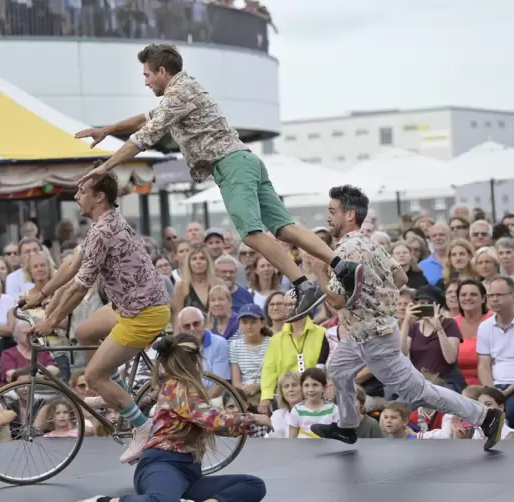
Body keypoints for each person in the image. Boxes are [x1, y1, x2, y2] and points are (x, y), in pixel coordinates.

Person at [73, 43, 363, 323]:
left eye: (147, 75)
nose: (146, 82)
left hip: (231, 166)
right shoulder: (182, 92)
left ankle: (302, 284)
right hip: (246, 160)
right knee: (285, 228)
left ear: (162, 71)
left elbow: (142, 138)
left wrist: (105, 167)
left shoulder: (177, 96)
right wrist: (107, 129)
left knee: (250, 234)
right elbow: (142, 119)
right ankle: (342, 265)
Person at [307, 185, 505, 451]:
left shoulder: (346, 252)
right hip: (361, 332)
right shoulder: (369, 242)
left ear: (350, 215)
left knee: (420, 392)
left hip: (374, 338)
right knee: (339, 370)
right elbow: (400, 278)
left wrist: (320, 271)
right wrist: (375, 297)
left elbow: (336, 301)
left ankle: (485, 416)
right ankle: (347, 426)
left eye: (332, 212)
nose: (328, 218)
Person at [20, 173, 170, 464]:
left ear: (99, 196)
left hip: (143, 314)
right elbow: (72, 264)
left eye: (81, 191)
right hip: (128, 305)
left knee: (91, 376)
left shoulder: (103, 231)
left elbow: (79, 286)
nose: (76, 197)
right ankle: (114, 391)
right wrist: (41, 294)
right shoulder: (102, 223)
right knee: (85, 332)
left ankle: (143, 428)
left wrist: (51, 321)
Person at [78, 334, 267, 502]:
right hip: (162, 464)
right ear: (195, 361)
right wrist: (253, 419)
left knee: (253, 485)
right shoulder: (177, 388)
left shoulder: (175, 387)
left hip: (189, 473)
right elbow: (214, 421)